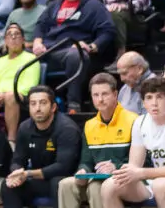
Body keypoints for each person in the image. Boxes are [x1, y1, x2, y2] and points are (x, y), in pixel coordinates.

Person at [33, 0, 116, 113]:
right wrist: (37, 42)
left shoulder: (93, 5)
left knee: (76, 55)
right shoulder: (55, 5)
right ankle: (27, 102)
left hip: (73, 51)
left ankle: (74, 105)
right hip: (50, 50)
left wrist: (92, 46)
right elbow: (40, 24)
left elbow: (108, 31)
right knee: (22, 56)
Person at [101, 75, 165, 208]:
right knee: (109, 186)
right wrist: (124, 172)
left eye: (159, 97)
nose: (154, 103)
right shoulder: (140, 122)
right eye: (149, 97)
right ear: (143, 102)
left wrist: (141, 173)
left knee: (162, 185)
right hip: (154, 180)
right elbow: (134, 165)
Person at [58, 73, 139, 208]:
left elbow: (144, 161)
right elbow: (86, 161)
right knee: (65, 184)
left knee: (96, 186)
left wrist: (116, 167)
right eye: (95, 95)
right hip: (99, 178)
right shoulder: (89, 125)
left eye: (105, 94)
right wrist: (83, 171)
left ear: (115, 94)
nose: (100, 99)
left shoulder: (133, 120)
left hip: (126, 180)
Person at [1, 86, 82, 208]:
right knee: (8, 185)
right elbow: (17, 160)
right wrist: (17, 172)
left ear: (53, 107)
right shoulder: (24, 128)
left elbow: (63, 167)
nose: (37, 108)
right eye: (33, 104)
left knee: (58, 183)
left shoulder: (67, 129)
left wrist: (28, 173)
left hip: (66, 179)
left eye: (43, 103)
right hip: (40, 180)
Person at [0, 23, 39, 144]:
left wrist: (5, 95)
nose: (13, 37)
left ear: (23, 39)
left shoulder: (31, 58)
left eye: (17, 34)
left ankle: (11, 141)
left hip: (21, 97)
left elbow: (29, 86)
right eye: (9, 35)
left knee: (11, 96)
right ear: (5, 41)